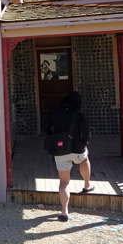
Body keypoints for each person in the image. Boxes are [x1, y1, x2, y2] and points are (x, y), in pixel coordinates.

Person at [43, 91, 93, 222]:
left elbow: (45, 127)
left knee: (64, 183)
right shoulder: (79, 115)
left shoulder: (54, 112)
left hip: (60, 150)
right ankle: (87, 185)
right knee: (85, 158)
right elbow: (86, 132)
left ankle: (64, 212)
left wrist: (53, 137)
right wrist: (85, 143)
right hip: (77, 148)